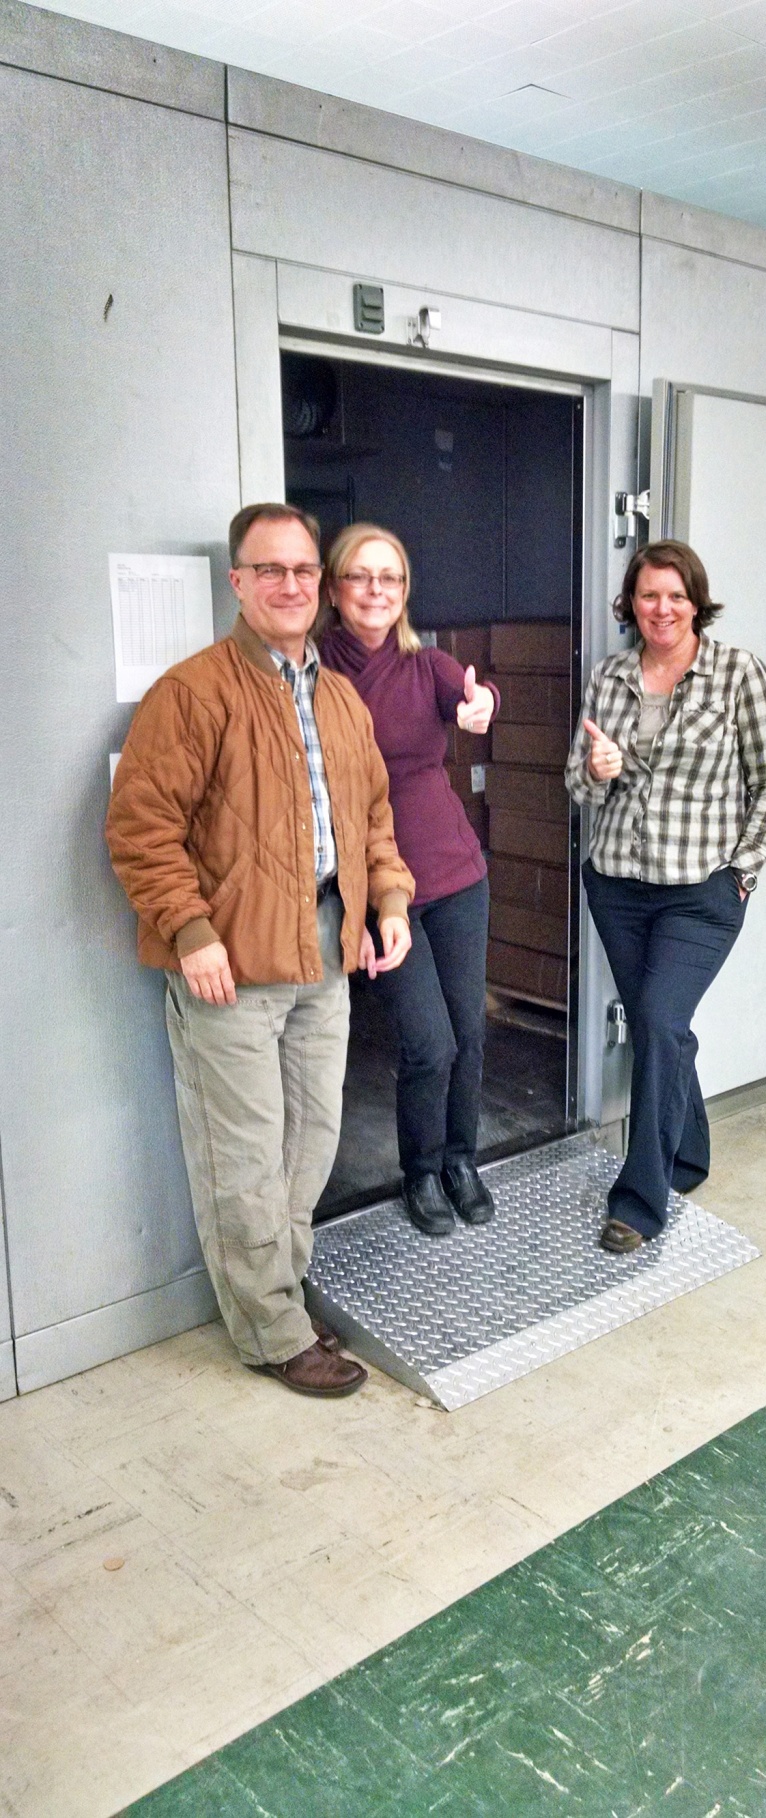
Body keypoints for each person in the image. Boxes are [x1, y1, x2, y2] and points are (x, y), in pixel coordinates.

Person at [106, 503, 414, 1396]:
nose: (290, 585)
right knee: (241, 1154)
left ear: (321, 584)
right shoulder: (193, 692)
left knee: (309, 1142)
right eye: (269, 569)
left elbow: (373, 818)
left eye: (303, 570)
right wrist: (190, 931)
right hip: (230, 962)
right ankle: (271, 1330)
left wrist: (388, 901)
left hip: (326, 947)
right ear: (238, 581)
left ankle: (280, 1290)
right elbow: (141, 827)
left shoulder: (340, 698)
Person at [566, 539, 766, 1254]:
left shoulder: (737, 673)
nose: (661, 608)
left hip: (699, 891)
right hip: (618, 884)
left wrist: (742, 873)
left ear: (696, 602)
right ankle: (688, 1155)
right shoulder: (609, 677)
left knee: (661, 1022)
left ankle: (640, 1201)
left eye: (675, 595)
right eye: (647, 595)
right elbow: (576, 784)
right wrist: (598, 770)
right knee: (657, 1025)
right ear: (631, 604)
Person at [319, 522, 499, 1238]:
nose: (376, 590)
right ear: (335, 589)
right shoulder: (314, 670)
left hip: (455, 872)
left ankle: (461, 1160)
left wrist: (482, 707)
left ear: (404, 591)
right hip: (375, 884)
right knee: (429, 1041)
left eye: (389, 577)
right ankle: (421, 1170)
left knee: (468, 1032)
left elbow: (474, 698)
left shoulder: (429, 665)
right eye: (360, 576)